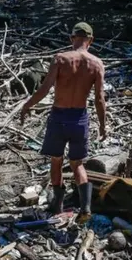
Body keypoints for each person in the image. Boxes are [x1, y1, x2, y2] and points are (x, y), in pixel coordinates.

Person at [20, 22, 107, 217]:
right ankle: (85, 207)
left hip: (59, 116)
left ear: (71, 38)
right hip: (79, 118)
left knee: (56, 161)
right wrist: (103, 125)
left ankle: (57, 206)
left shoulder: (60, 59)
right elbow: (99, 99)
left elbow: (44, 90)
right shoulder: (97, 64)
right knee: (77, 163)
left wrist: (27, 106)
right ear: (91, 40)